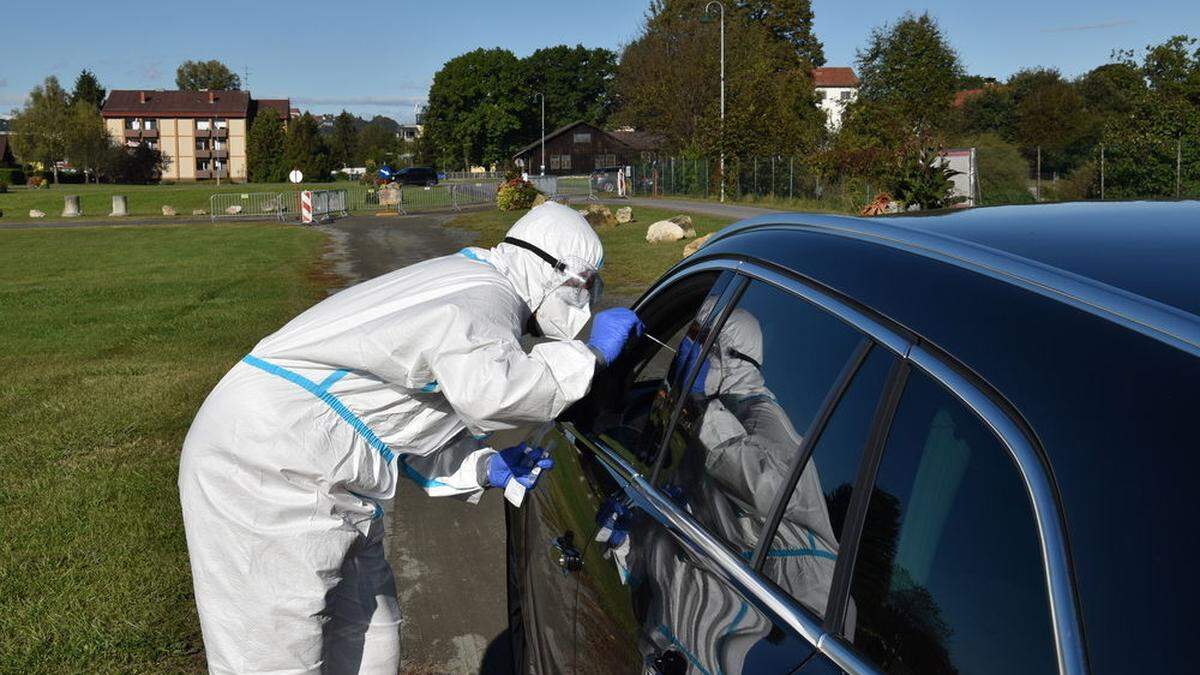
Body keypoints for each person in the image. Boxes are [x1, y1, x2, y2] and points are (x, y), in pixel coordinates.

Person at [178, 202, 644, 674]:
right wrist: (590, 356)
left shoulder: (475, 285)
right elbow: (495, 392)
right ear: (557, 274)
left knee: (370, 637)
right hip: (261, 461)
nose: (587, 302)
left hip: (324, 466)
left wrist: (483, 467)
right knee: (276, 654)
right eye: (586, 287)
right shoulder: (481, 298)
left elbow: (404, 410)